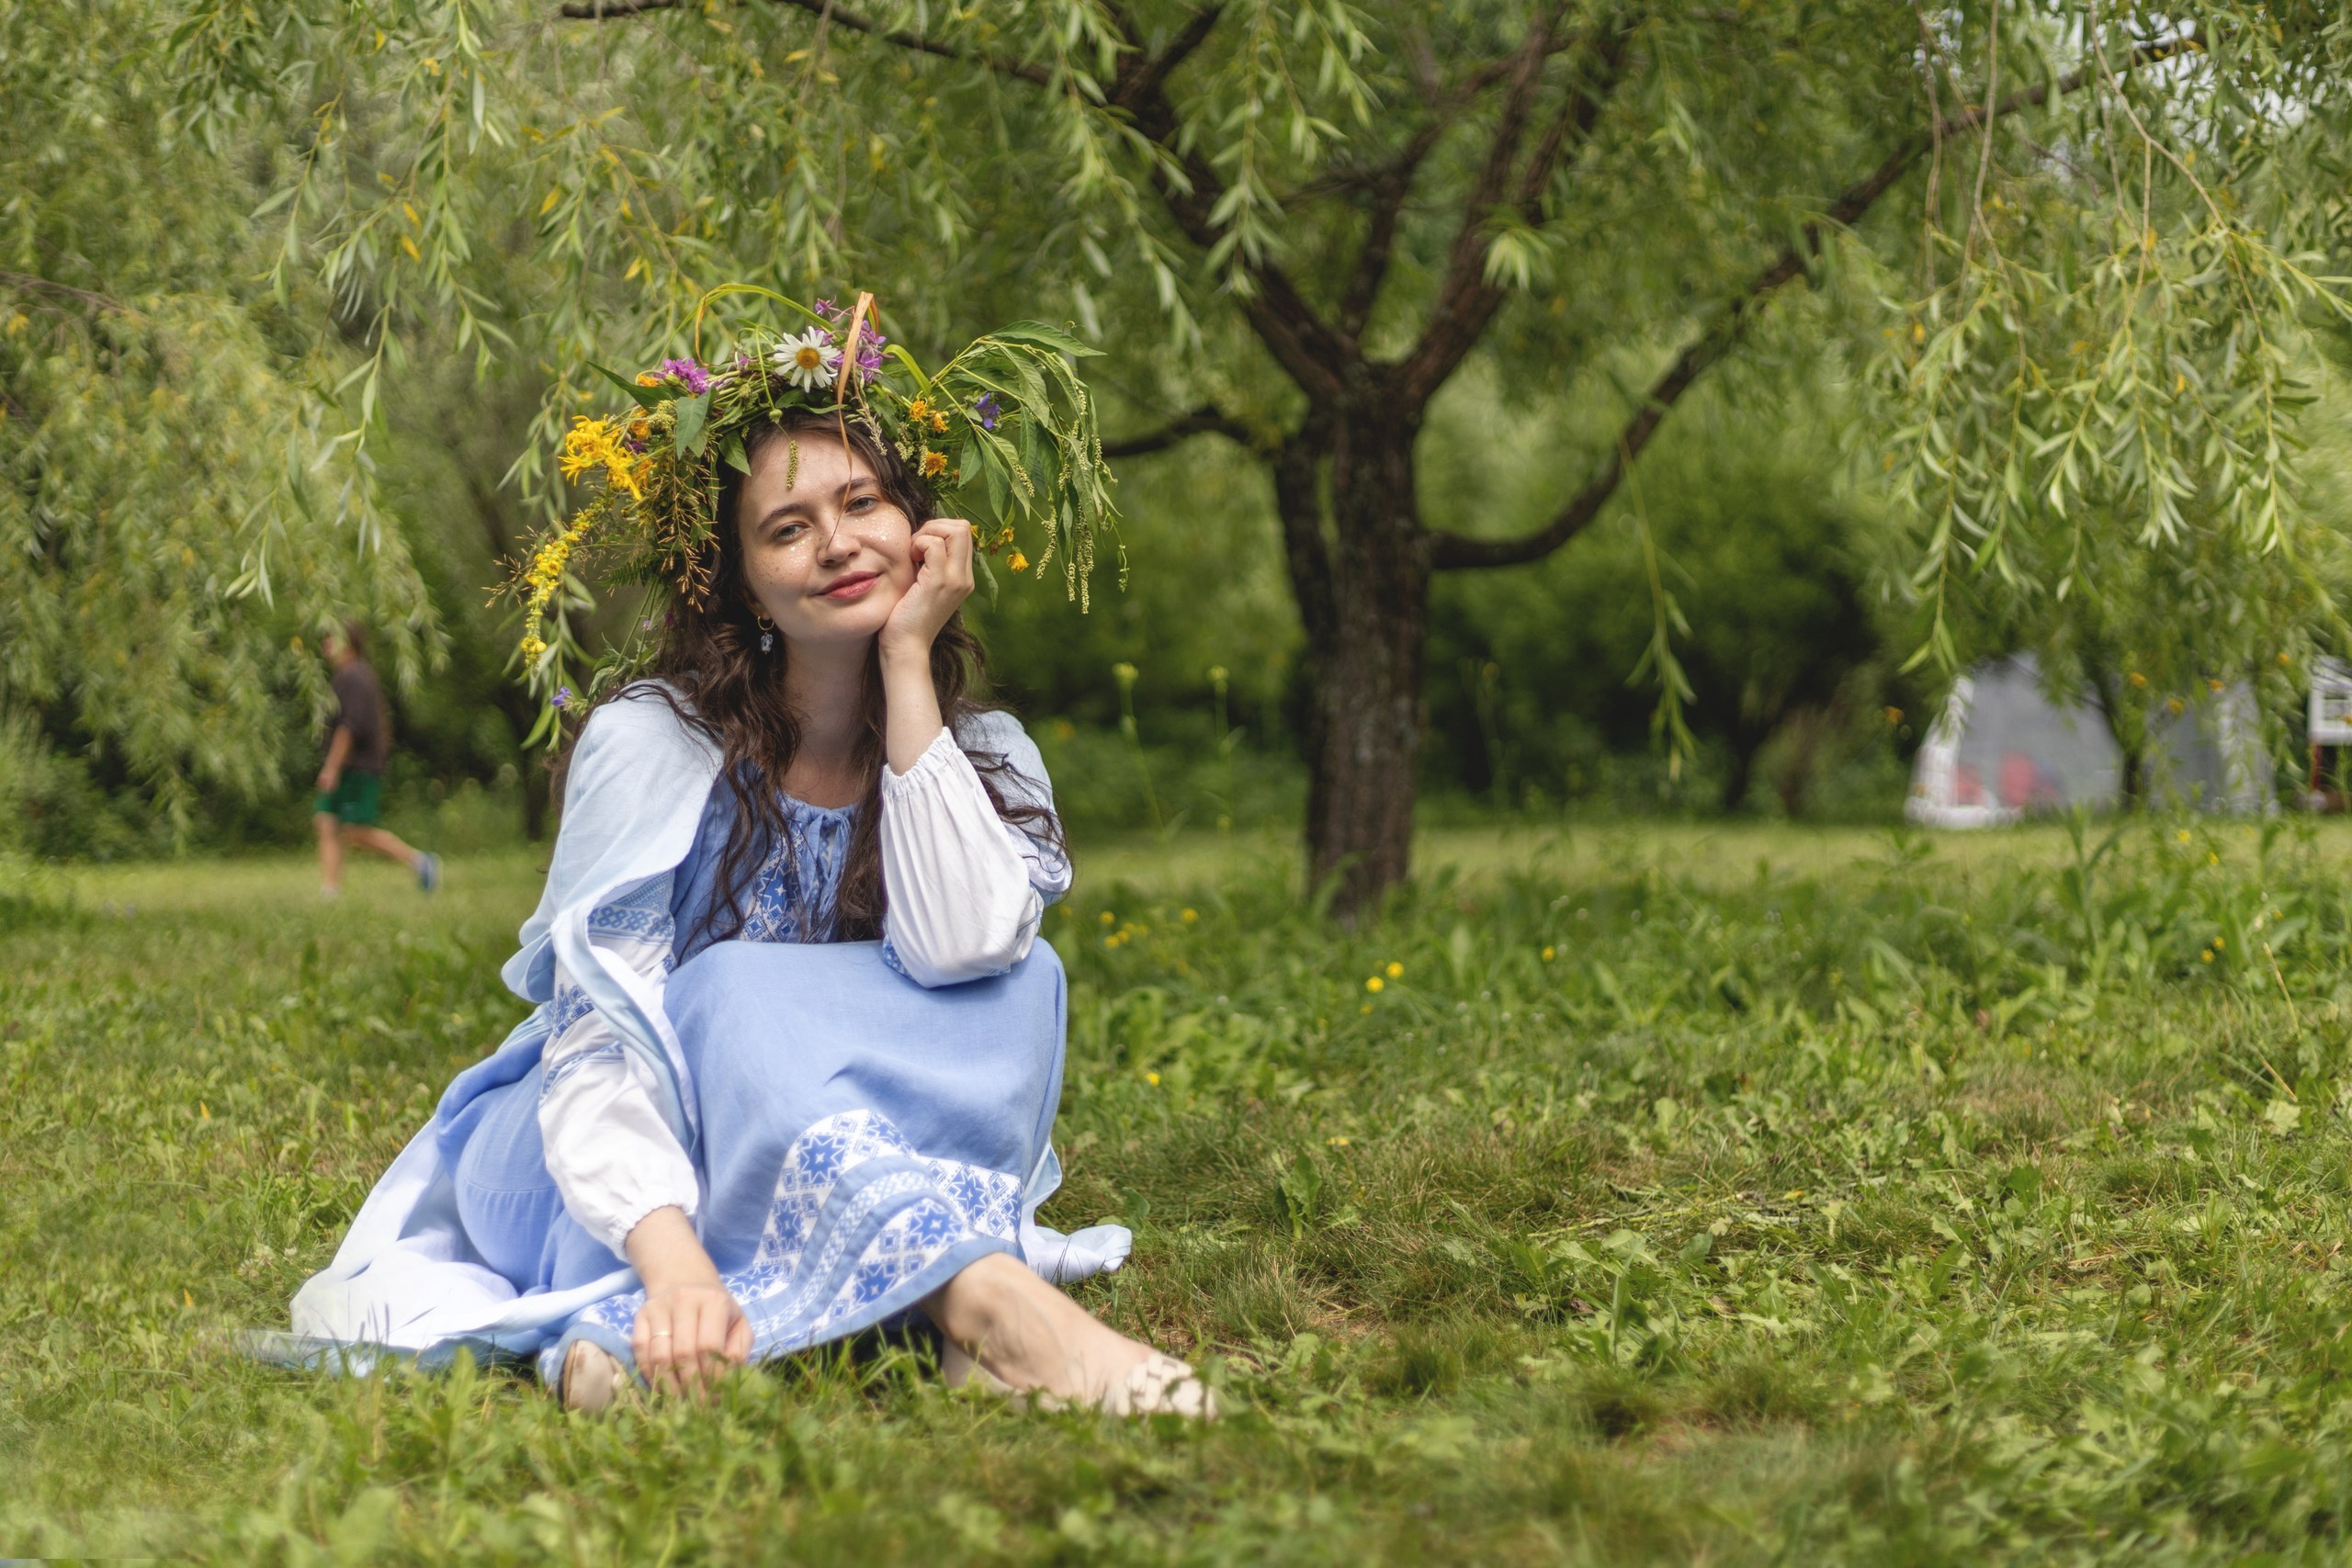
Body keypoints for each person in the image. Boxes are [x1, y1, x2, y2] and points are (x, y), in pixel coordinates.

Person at [278, 404, 1209, 1418]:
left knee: (1018, 982)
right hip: (603, 1166)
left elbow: (958, 950)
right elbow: (596, 1047)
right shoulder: (653, 743)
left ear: (922, 527)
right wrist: (675, 1265)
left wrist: (906, 661)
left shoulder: (985, 756)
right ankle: (982, 1305)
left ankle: (670, 1344)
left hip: (810, 1164)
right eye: (788, 527)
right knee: (731, 987)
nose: (838, 542)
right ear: (742, 582)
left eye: (864, 502)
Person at [314, 623, 441, 897]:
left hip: (356, 767)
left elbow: (349, 728)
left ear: (349, 642)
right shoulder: (349, 675)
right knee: (326, 821)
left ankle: (420, 861)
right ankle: (330, 890)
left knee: (356, 831)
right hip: (350, 766)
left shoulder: (354, 676)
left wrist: (332, 767)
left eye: (331, 639)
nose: (325, 645)